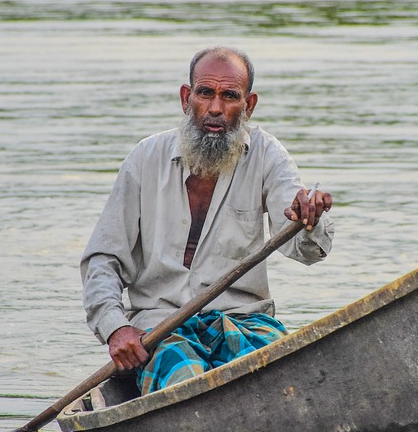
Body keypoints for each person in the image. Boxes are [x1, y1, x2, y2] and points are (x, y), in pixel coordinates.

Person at [81, 46, 333, 393]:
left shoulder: (267, 155)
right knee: (184, 383)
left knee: (281, 384)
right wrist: (115, 327)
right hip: (160, 327)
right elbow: (103, 259)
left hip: (246, 322)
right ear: (187, 98)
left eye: (230, 96)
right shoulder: (145, 159)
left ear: (249, 106)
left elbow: (304, 249)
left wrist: (308, 219)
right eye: (205, 93)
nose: (215, 108)